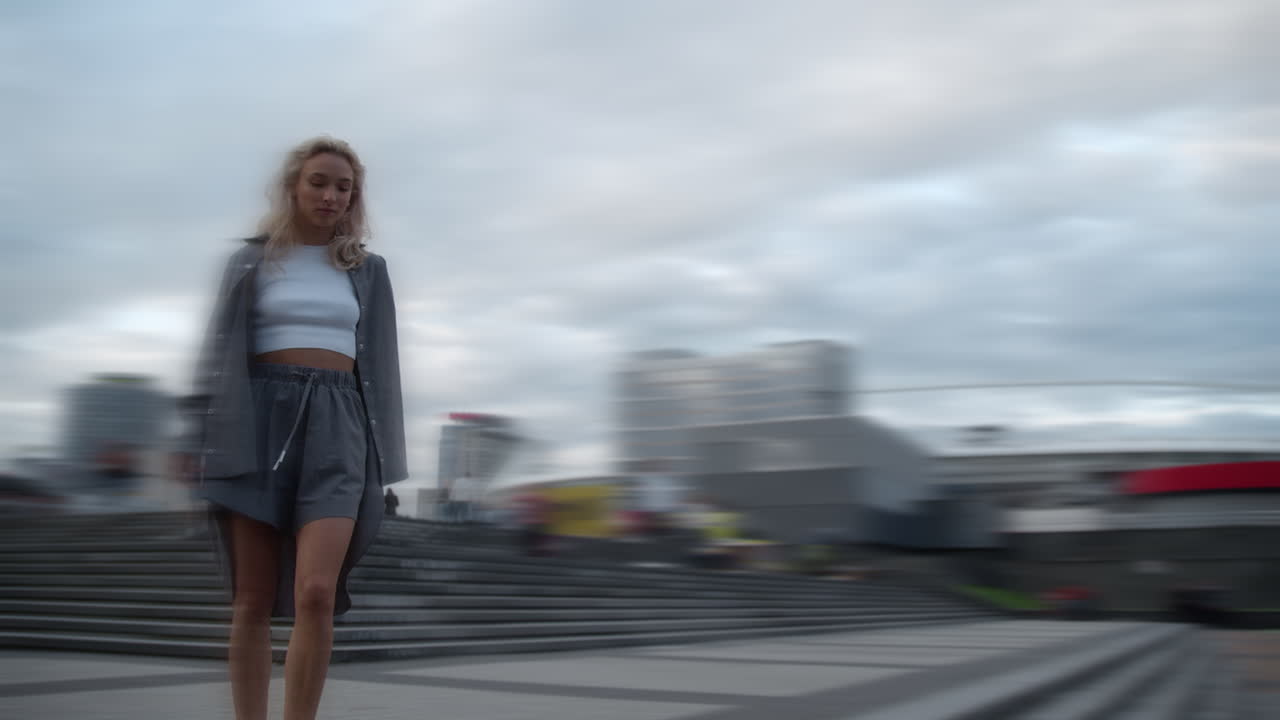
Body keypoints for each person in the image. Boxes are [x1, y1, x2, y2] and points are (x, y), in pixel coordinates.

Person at [178, 136, 408, 720]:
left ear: (354, 197)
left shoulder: (368, 270)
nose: (331, 195)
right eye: (319, 182)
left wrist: (382, 454)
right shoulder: (252, 260)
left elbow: (380, 365)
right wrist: (190, 437)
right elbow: (216, 350)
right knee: (252, 599)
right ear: (293, 186)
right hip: (254, 420)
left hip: (340, 425)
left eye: (343, 186)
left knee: (316, 592)